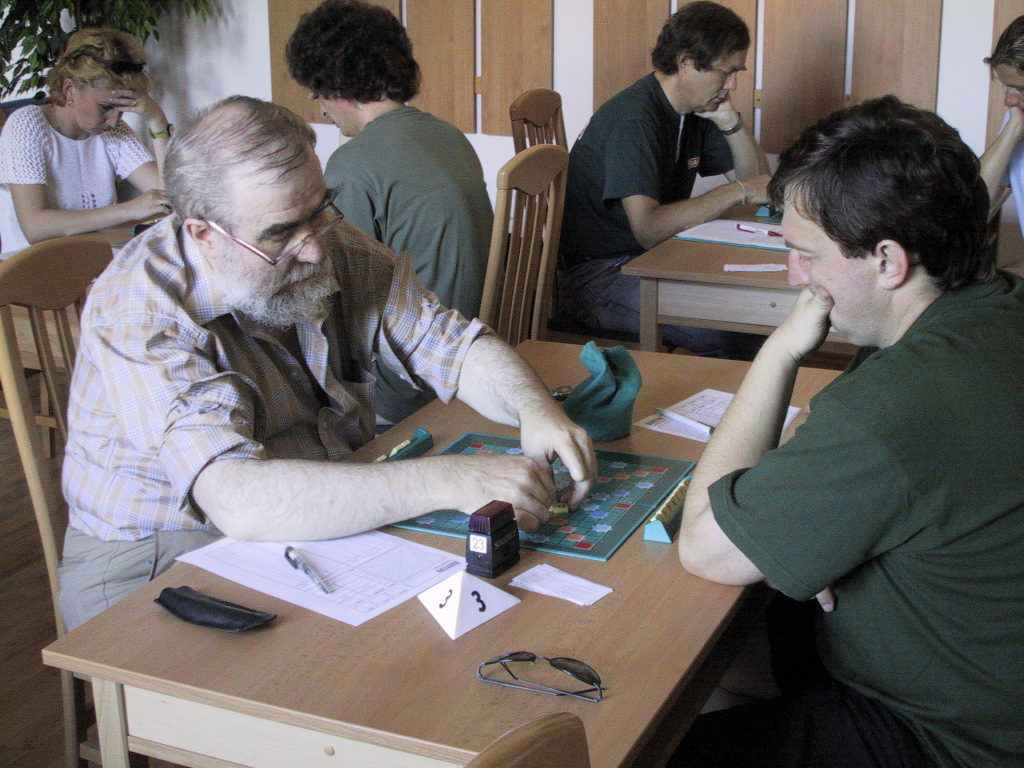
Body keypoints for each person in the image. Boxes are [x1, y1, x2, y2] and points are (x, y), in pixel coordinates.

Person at [57, 96, 595, 632]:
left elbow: (451, 345)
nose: (314, 248)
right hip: (154, 558)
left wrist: (534, 408)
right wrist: (451, 480)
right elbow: (235, 498)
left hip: (303, 515)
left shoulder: (320, 239)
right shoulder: (140, 309)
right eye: (280, 233)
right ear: (204, 234)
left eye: (320, 211)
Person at [670, 96, 1024, 768]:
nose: (794, 277)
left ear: (888, 261)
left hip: (948, 741)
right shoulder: (992, 306)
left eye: (805, 255)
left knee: (648, 746)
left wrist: (777, 352)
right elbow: (842, 441)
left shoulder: (898, 403)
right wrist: (835, 536)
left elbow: (705, 547)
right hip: (976, 687)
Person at [285, 0, 493, 425]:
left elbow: (332, 295)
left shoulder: (353, 166)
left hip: (409, 383)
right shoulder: (449, 136)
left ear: (335, 82)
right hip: (474, 348)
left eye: (317, 88)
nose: (316, 102)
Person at [557, 1, 771, 358]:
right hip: (596, 275)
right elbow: (649, 228)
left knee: (752, 311)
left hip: (650, 259)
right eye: (725, 72)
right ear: (686, 62)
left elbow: (758, 186)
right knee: (733, 333)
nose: (732, 84)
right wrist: (737, 192)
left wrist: (731, 123)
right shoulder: (635, 120)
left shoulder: (696, 107)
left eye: (737, 73)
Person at [0, 27, 172, 254]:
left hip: (93, 263)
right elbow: (35, 227)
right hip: (32, 268)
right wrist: (130, 209)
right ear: (69, 88)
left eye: (121, 109)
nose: (114, 120)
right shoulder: (28, 124)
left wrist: (156, 121)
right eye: (105, 107)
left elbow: (169, 198)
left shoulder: (111, 131)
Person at [980, 14, 1024, 235]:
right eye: (1005, 86)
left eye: (1020, 89)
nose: (1009, 100)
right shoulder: (1018, 115)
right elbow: (976, 202)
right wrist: (1013, 128)